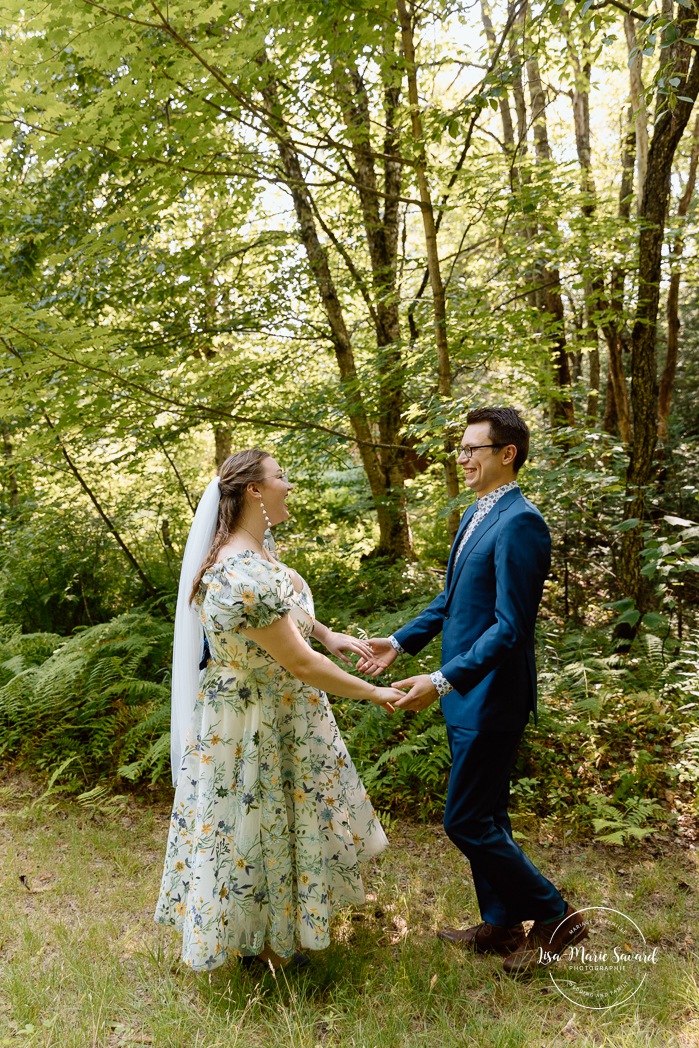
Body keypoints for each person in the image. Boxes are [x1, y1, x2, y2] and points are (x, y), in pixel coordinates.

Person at [358, 407, 588, 976]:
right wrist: (397, 643)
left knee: (465, 820)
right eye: (460, 448)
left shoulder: (521, 523)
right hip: (466, 696)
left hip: (491, 697)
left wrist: (441, 681)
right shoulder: (476, 514)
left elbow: (509, 627)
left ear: (506, 454)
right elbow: (452, 599)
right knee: (490, 815)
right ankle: (503, 922)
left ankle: (557, 916)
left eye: (472, 449)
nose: (461, 457)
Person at [155, 449, 402, 972]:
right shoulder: (236, 573)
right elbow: (302, 664)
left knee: (284, 818)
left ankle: (280, 929)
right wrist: (375, 692)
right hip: (254, 716)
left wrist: (329, 632)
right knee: (252, 821)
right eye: (280, 476)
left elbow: (287, 615)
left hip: (281, 706)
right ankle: (259, 943)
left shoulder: (254, 553)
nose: (288, 484)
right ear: (254, 491)